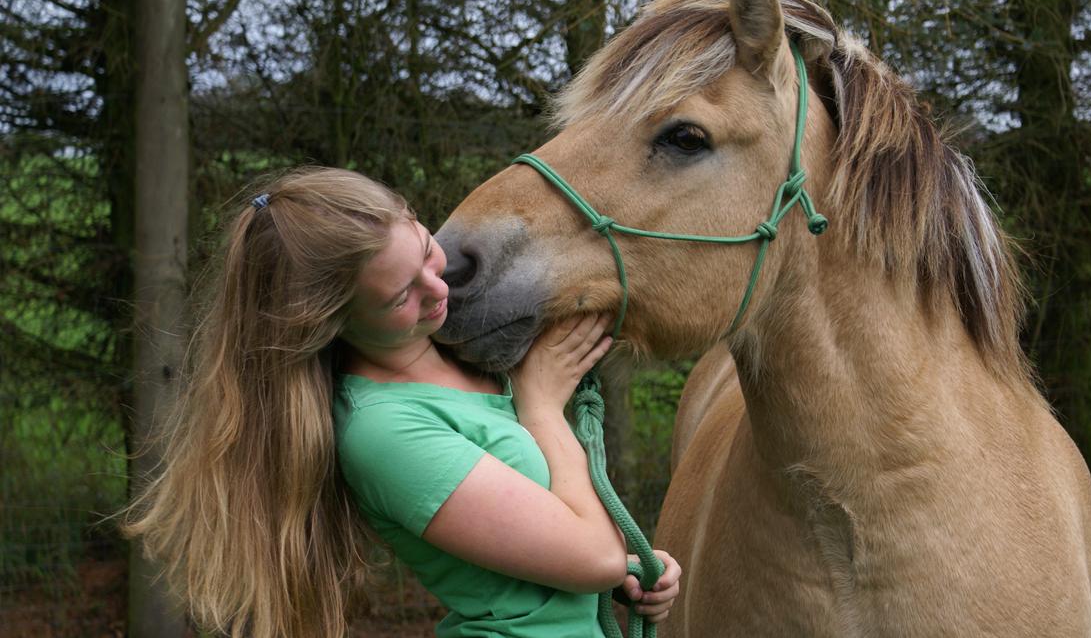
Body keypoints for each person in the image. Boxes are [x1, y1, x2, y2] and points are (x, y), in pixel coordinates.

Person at [123, 166, 681, 638]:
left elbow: (584, 557)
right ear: (328, 322)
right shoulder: (384, 433)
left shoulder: (469, 343)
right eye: (399, 296)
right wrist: (540, 408)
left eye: (425, 255)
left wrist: (631, 575)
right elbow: (592, 559)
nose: (439, 291)